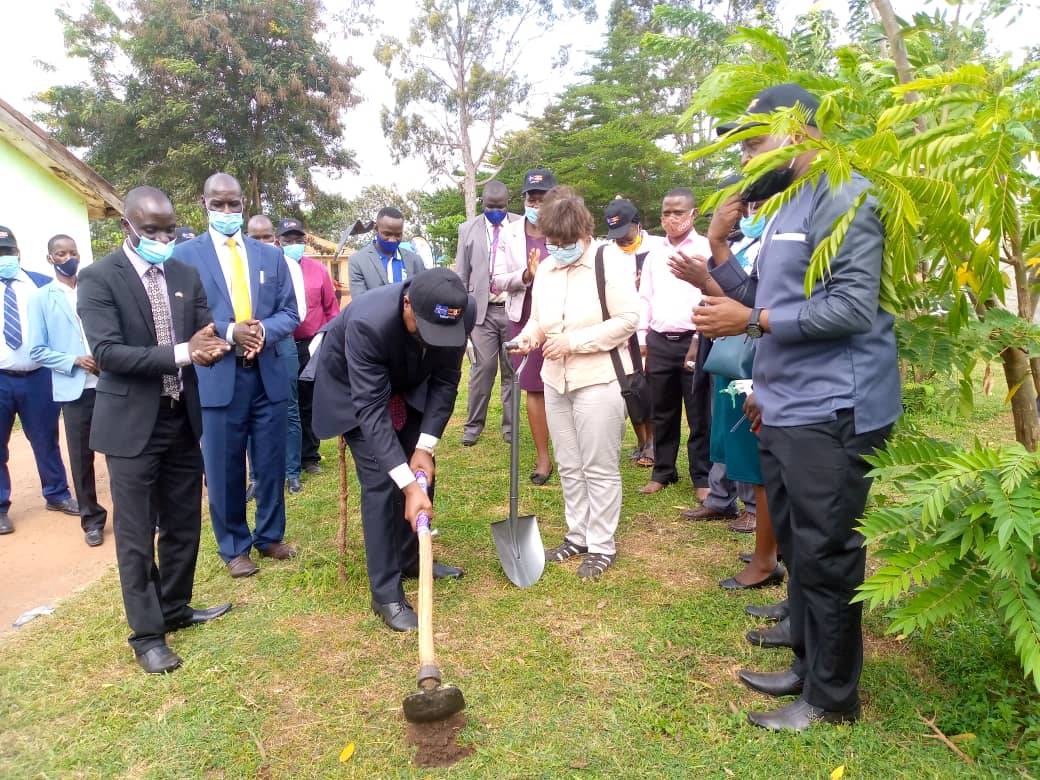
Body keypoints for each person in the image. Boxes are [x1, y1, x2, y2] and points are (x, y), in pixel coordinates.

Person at [693, 84, 900, 731]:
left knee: (828, 550)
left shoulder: (848, 196)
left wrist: (748, 316)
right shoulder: (784, 207)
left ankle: (832, 699)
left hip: (835, 406)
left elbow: (849, 307)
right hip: (788, 403)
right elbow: (764, 297)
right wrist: (720, 259)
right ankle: (806, 667)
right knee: (804, 550)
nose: (749, 158)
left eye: (756, 142)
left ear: (803, 132)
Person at [77, 186, 232, 674]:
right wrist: (187, 351)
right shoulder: (98, 278)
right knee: (137, 532)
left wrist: (220, 339)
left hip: (181, 416)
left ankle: (175, 608)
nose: (163, 239)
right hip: (131, 426)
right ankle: (147, 634)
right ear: (127, 227)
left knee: (184, 522)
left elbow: (205, 326)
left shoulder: (185, 272)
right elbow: (108, 354)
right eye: (151, 231)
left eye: (169, 230)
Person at [309, 268, 471, 631]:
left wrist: (424, 448)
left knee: (421, 469)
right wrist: (408, 488)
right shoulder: (369, 321)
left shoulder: (459, 312)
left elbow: (446, 382)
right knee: (385, 482)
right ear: (408, 302)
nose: (436, 339)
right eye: (427, 328)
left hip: (409, 382)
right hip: (354, 394)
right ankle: (385, 594)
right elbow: (370, 411)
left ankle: (411, 559)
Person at [173, 173, 300, 578]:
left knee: (270, 460)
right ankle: (233, 547)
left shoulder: (269, 256)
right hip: (218, 377)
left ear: (244, 204)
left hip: (267, 376)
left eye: (234, 205)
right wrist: (230, 332)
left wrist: (262, 330)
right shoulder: (185, 257)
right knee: (225, 466)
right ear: (204, 202)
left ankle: (269, 536)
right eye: (219, 204)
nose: (227, 212)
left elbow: (290, 313)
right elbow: (186, 319)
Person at [511, 188, 639, 579]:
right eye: (553, 243)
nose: (559, 249)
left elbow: (628, 320)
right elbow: (540, 318)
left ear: (584, 234)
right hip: (555, 379)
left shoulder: (609, 260)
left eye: (567, 244)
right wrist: (530, 336)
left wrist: (574, 343)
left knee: (598, 465)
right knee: (568, 462)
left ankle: (602, 544)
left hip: (598, 378)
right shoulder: (547, 268)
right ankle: (577, 534)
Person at [668, 186, 783, 590]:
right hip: (736, 357)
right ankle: (767, 547)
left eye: (756, 203)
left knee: (762, 459)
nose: (748, 211)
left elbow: (755, 309)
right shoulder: (749, 241)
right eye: (744, 204)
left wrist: (706, 277)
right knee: (749, 454)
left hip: (762, 360)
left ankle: (767, 556)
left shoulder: (780, 243)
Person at [28, 235, 108, 546]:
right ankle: (92, 520)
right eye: (61, 253)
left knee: (123, 452)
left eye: (73, 252)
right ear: (50, 259)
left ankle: (138, 514)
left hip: (108, 383)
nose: (68, 258)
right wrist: (73, 360)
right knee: (81, 457)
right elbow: (37, 349)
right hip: (74, 390)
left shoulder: (96, 289)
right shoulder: (41, 299)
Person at [634, 188, 713, 498]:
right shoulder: (654, 253)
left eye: (677, 212)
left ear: (692, 214)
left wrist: (698, 338)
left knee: (698, 413)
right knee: (662, 410)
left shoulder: (706, 249)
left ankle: (702, 477)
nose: (670, 219)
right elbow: (645, 297)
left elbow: (710, 295)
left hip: (695, 340)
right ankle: (663, 471)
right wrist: (644, 341)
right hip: (659, 341)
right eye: (666, 213)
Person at [0, 225, 77, 536]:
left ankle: (57, 494)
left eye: (7, 252)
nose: (4, 258)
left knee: (46, 438)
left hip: (39, 377)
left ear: (17, 254)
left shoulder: (41, 284)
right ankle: (1, 507)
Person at [493, 168, 558, 483]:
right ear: (524, 199)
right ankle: (543, 458)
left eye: (542, 197)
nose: (537, 203)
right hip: (524, 318)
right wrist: (526, 276)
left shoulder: (564, 227)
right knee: (533, 387)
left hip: (561, 318)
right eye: (532, 197)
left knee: (564, 384)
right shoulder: (509, 234)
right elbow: (497, 279)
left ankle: (570, 451)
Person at [243, 215, 307, 495]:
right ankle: (256, 477)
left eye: (266, 237)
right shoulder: (239, 264)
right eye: (255, 238)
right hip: (244, 347)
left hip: (281, 344)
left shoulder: (288, 265)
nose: (261, 243)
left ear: (275, 239)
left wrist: (263, 331)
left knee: (289, 408)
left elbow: (297, 312)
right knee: (248, 411)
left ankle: (291, 471)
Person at [456, 180, 522, 448]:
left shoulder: (520, 226)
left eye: (501, 206)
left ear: (508, 204)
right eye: (490, 206)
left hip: (512, 309)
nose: (496, 212)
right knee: (481, 370)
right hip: (481, 312)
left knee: (511, 371)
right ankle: (473, 426)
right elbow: (462, 274)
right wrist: (463, 315)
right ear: (482, 203)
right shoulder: (467, 229)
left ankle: (510, 427)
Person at [280, 218, 340, 476]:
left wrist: (326, 339)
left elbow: (331, 309)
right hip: (280, 345)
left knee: (308, 401)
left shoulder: (318, 271)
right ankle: (285, 458)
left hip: (312, 344)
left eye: (298, 240)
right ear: (278, 242)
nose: (293, 244)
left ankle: (309, 456)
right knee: (283, 403)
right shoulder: (273, 270)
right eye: (287, 240)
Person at [602, 199, 658, 468]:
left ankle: (653, 443)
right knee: (630, 388)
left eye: (626, 234)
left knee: (651, 388)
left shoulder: (657, 248)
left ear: (638, 224)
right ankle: (640, 441)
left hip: (652, 326)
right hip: (622, 329)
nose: (622, 240)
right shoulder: (607, 253)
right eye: (616, 236)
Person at [347, 207, 425, 299]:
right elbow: (359, 302)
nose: (392, 240)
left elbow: (422, 296)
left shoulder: (415, 261)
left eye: (398, 235)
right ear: (376, 229)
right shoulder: (358, 261)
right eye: (387, 234)